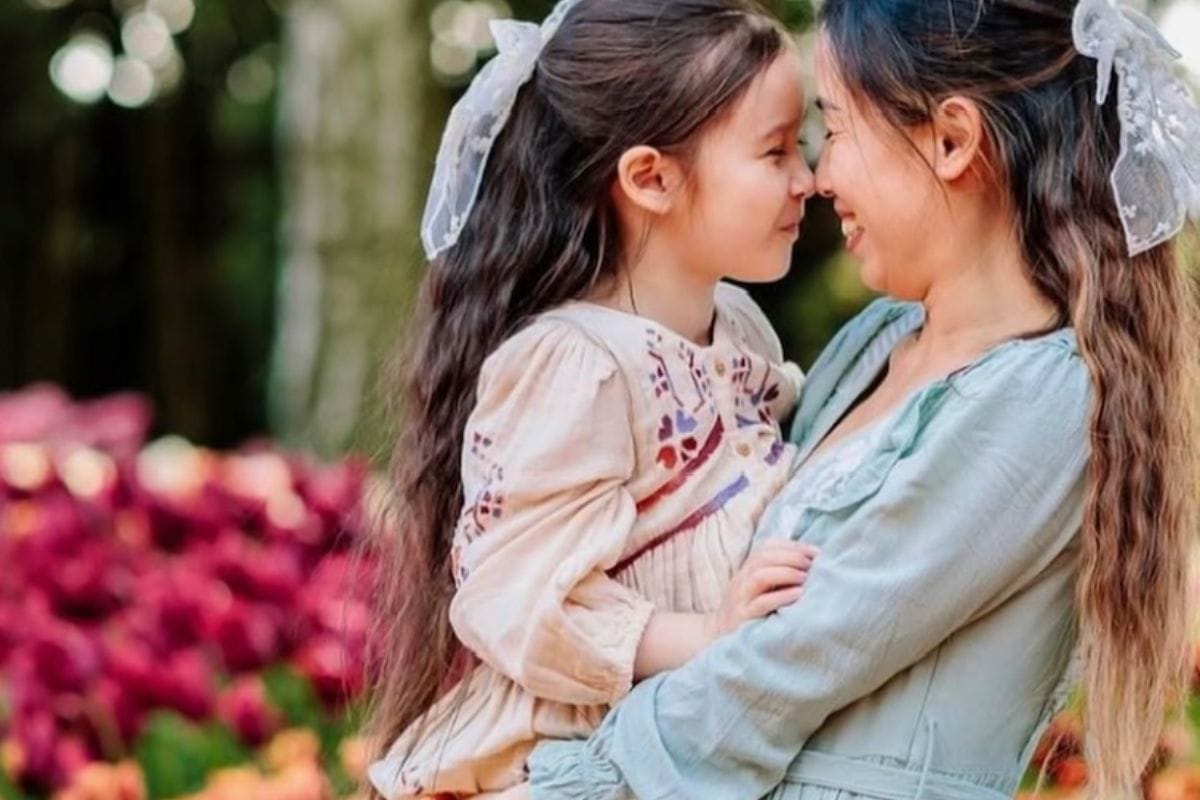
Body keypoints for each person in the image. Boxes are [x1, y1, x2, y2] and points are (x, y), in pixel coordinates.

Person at [514, 0, 1200, 798]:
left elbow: (785, 666)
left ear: (952, 140)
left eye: (835, 128)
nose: (820, 176)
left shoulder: (1044, 400)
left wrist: (552, 788)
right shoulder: (875, 342)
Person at [363, 1, 824, 796]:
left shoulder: (740, 329)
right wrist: (707, 633)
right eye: (775, 151)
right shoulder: (575, 364)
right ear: (651, 178)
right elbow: (519, 596)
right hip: (558, 765)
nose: (807, 180)